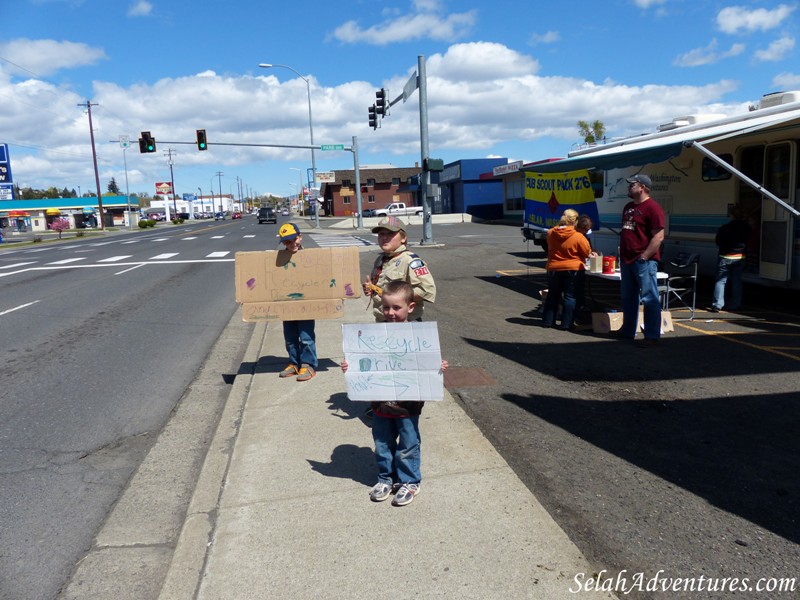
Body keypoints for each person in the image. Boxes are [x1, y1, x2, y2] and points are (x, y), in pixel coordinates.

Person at [341, 281, 448, 507]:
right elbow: (363, 362)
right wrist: (350, 365)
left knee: (408, 443)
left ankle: (409, 481)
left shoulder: (418, 335)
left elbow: (428, 361)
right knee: (382, 442)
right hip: (380, 402)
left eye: (396, 308)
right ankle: (386, 478)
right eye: (386, 307)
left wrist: (438, 365)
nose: (390, 313)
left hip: (407, 405)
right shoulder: (374, 335)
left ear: (410, 307)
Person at [618, 174, 665, 346]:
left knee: (649, 298)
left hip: (643, 261)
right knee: (628, 297)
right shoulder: (628, 207)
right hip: (626, 259)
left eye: (632, 184)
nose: (629, 187)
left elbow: (658, 237)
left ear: (643, 187)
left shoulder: (653, 208)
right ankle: (628, 330)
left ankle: (652, 336)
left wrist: (644, 257)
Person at [364, 216, 437, 322]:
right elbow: (382, 289)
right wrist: (372, 289)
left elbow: (427, 290)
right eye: (381, 234)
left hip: (405, 322)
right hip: (383, 320)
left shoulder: (410, 261)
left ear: (403, 238)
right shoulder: (381, 259)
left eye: (390, 233)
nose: (384, 237)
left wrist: (399, 297)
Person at [276, 223, 317, 381]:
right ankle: (294, 362)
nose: (292, 244)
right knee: (290, 336)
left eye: (294, 239)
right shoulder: (280, 259)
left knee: (306, 336)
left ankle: (308, 365)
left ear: (300, 236)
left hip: (306, 303)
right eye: (287, 242)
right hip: (287, 303)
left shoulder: (310, 257)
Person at [541, 209, 592, 330]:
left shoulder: (551, 232)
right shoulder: (578, 236)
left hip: (553, 267)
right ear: (575, 221)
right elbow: (586, 252)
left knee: (553, 295)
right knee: (570, 296)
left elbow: (550, 247)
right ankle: (566, 324)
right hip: (572, 269)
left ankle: (548, 321)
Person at [709, 206, 751, 312]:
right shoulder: (747, 228)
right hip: (740, 257)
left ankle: (717, 305)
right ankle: (735, 304)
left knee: (721, 281)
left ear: (732, 215)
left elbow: (718, 242)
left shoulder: (725, 227)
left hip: (725, 256)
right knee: (736, 281)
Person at [574, 214, 598, 313]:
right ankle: (578, 310)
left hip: (559, 267)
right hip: (575, 267)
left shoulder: (581, 236)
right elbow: (586, 253)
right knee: (575, 292)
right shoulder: (579, 236)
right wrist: (591, 255)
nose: (587, 231)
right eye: (587, 229)